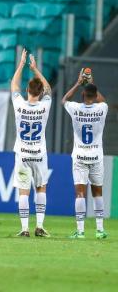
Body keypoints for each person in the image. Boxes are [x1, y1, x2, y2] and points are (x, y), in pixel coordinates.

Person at [62, 69, 108, 239]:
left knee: (80, 193)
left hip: (80, 157)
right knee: (98, 193)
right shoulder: (102, 109)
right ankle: (100, 229)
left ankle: (80, 231)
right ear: (95, 96)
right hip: (96, 157)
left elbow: (64, 99)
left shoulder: (74, 108)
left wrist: (78, 83)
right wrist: (91, 82)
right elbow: (103, 101)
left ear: (82, 95)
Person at [11, 49, 52, 238]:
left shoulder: (19, 104)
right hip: (39, 154)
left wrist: (21, 64)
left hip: (22, 154)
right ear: (41, 92)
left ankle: (25, 228)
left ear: (28, 91)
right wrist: (35, 69)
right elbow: (49, 89)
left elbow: (13, 85)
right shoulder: (45, 105)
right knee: (41, 187)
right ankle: (40, 226)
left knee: (23, 191)